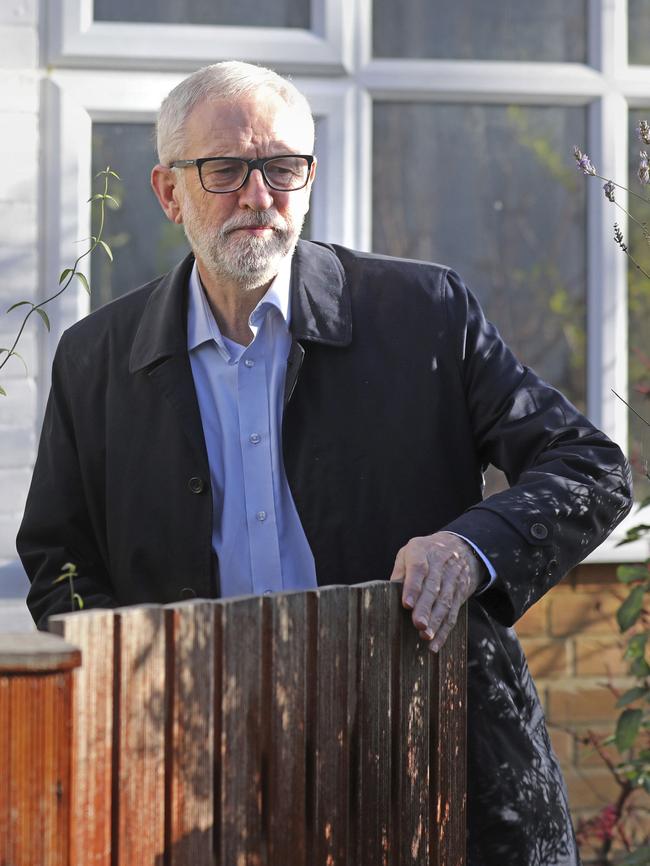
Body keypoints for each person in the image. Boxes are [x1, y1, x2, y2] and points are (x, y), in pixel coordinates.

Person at [18, 61, 632, 866]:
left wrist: (468, 547)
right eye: (226, 169)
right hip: (210, 785)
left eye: (282, 168)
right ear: (169, 193)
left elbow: (590, 466)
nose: (258, 195)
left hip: (440, 762)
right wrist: (145, 694)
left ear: (308, 179)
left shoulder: (423, 314)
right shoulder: (96, 358)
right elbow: (59, 564)